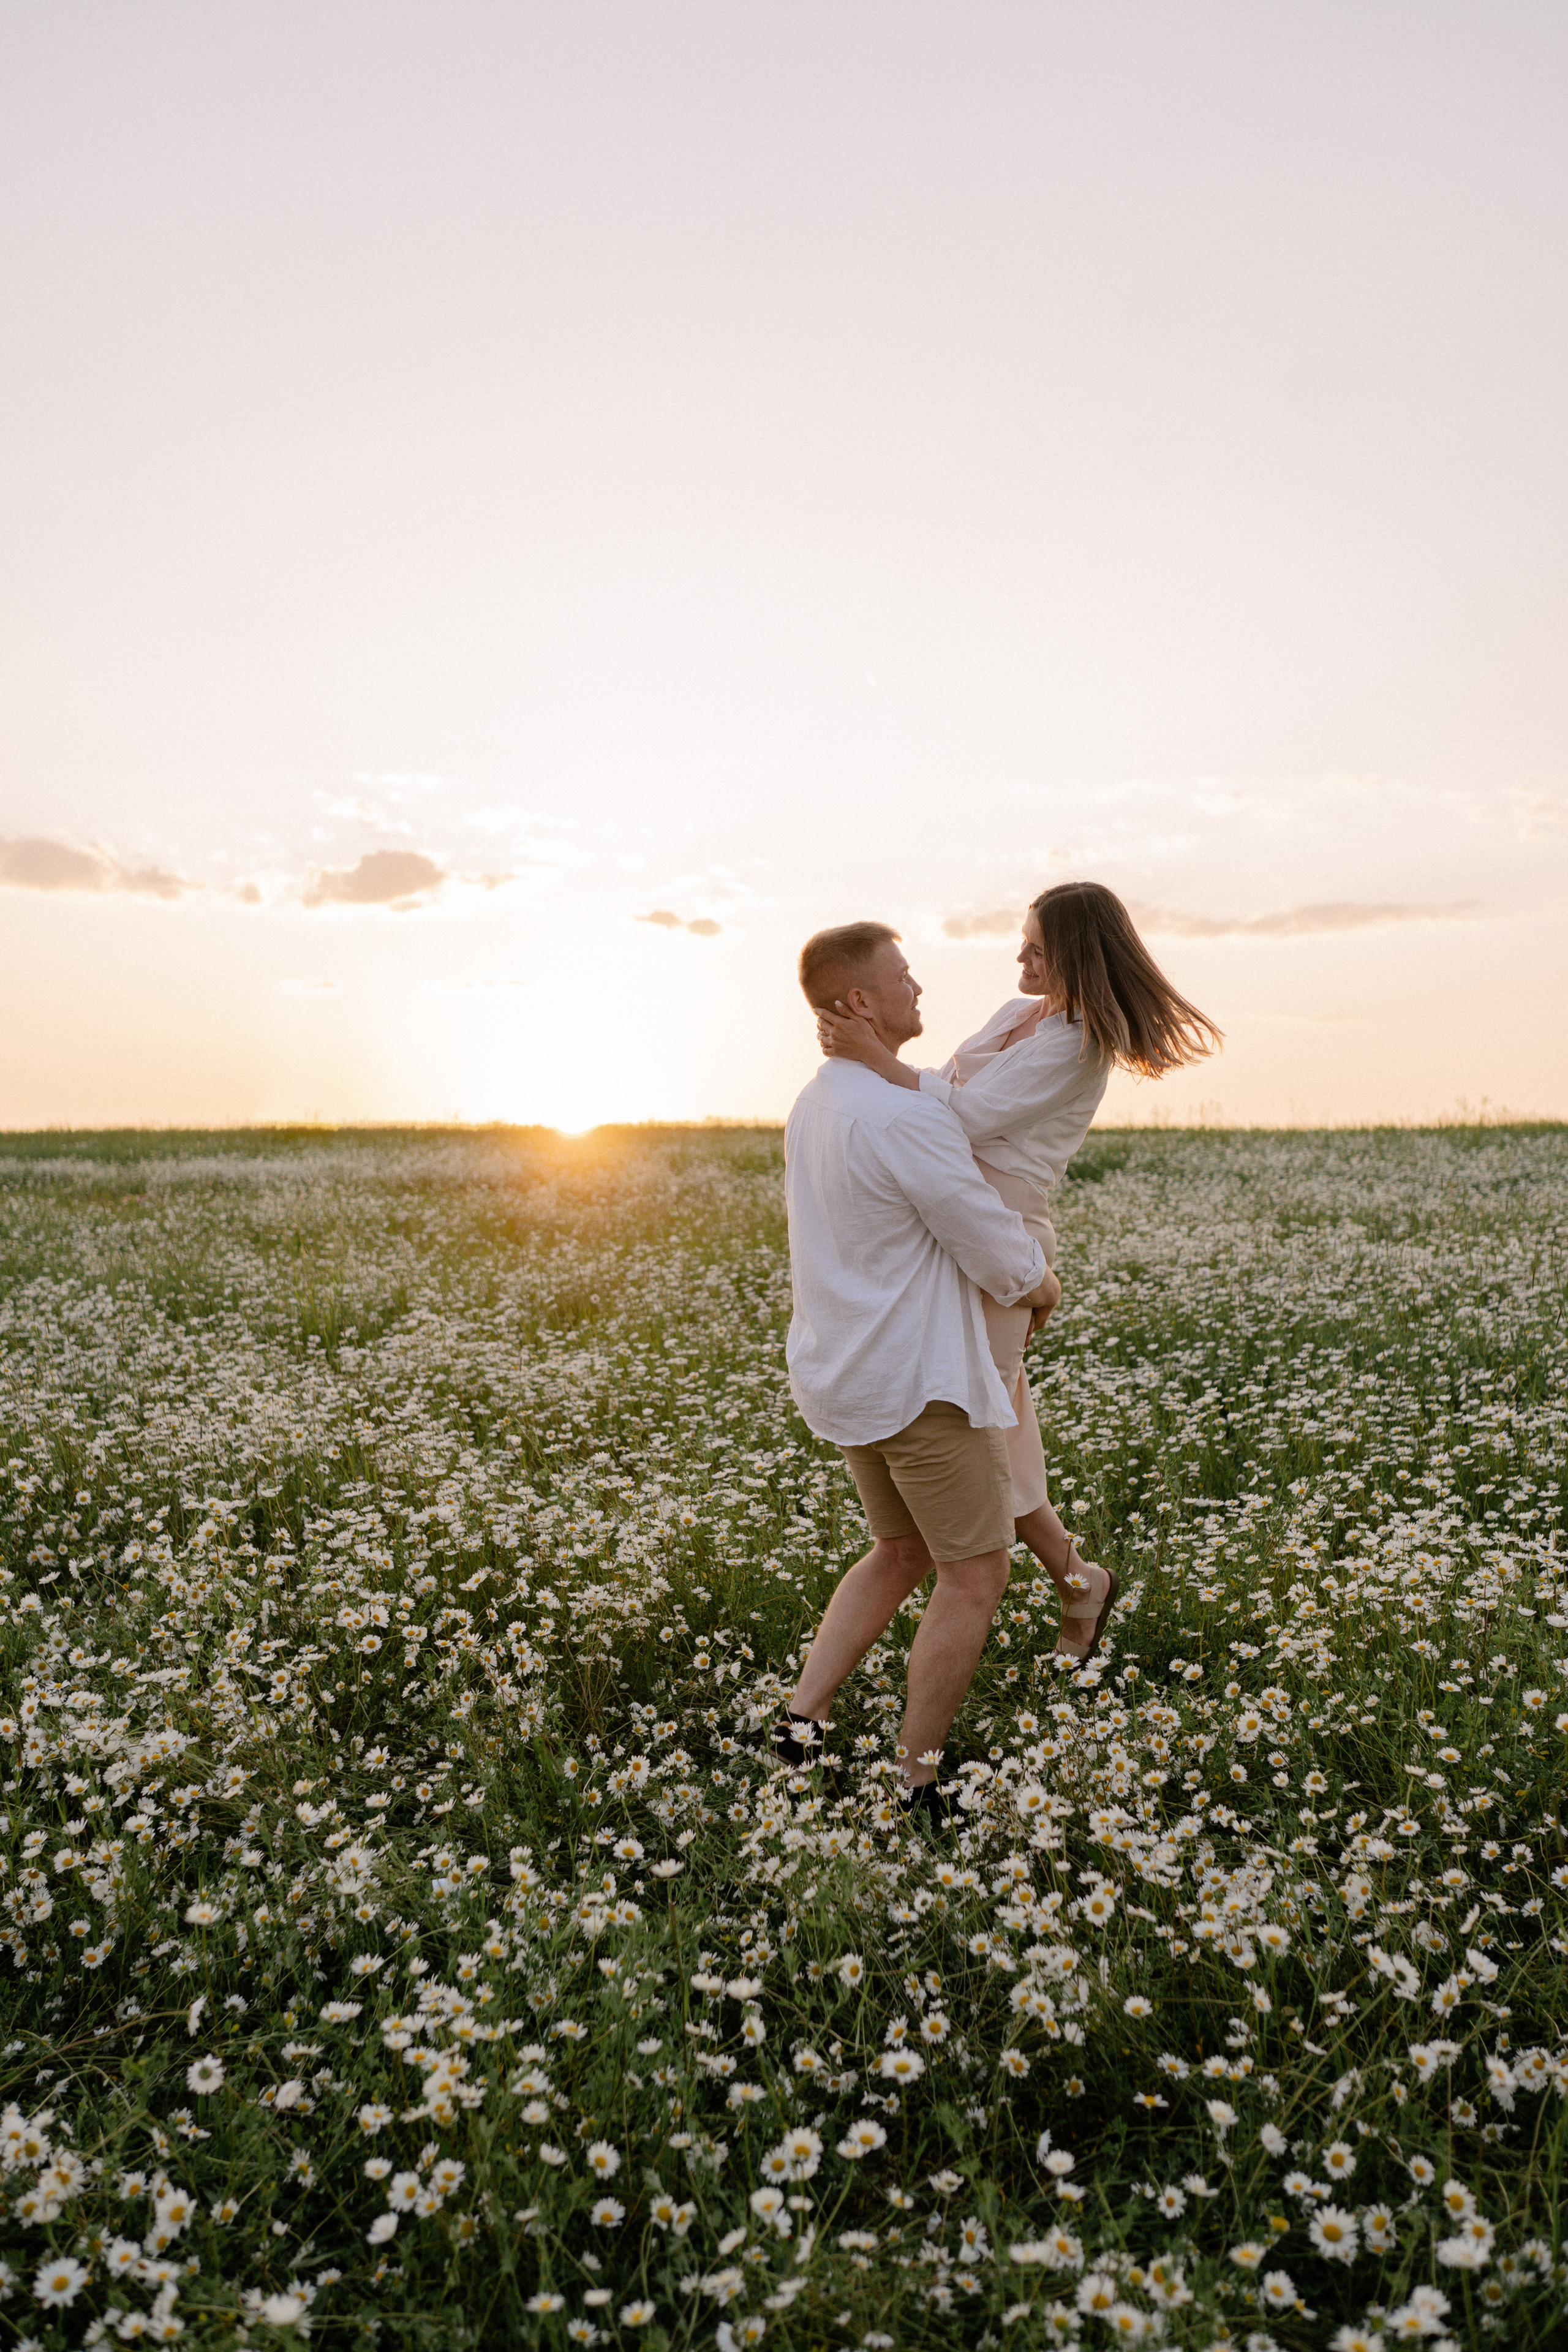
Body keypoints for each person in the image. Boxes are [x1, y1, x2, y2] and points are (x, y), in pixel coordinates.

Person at [818, 880, 1221, 1660]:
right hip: (951, 1225)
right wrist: (890, 1074)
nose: (1019, 959)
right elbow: (945, 1087)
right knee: (998, 1427)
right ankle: (1081, 1585)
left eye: (1036, 949)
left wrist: (876, 1060)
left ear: (1074, 954)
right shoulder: (1017, 1014)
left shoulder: (1080, 1044)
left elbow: (965, 1114)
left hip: (1001, 1233)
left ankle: (1067, 1585)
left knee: (981, 1427)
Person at [781, 920, 1061, 1821]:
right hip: (923, 1384)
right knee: (974, 1576)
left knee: (899, 1551)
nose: (918, 989)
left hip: (848, 1377)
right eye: (902, 976)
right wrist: (1043, 1283)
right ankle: (919, 1786)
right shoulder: (903, 1117)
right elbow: (990, 1242)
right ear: (859, 1001)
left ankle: (799, 1723)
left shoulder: (816, 1101)